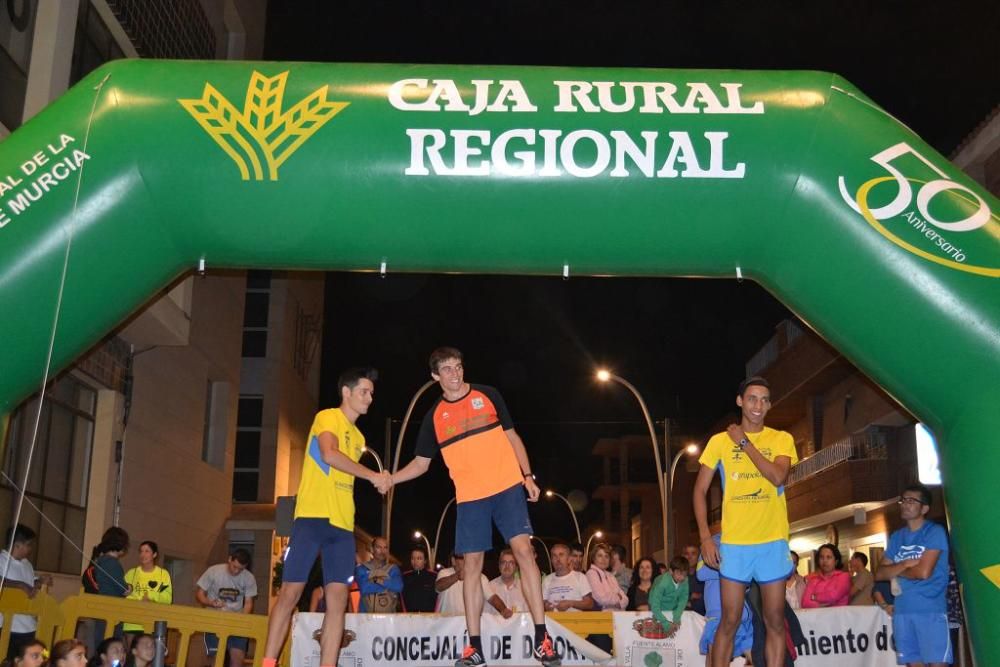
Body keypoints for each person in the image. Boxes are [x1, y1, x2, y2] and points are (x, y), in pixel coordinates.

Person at [391, 347, 560, 666]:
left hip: (508, 486)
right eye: (447, 369)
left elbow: (513, 437)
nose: (454, 373)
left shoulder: (489, 394)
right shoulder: (434, 417)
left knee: (524, 552)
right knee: (471, 568)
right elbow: (421, 464)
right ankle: (474, 646)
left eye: (457, 367)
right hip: (470, 498)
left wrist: (527, 476)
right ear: (435, 376)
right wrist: (391, 479)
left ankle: (542, 638)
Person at [261, 367, 389, 667]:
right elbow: (330, 454)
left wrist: (379, 479)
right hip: (312, 517)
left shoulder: (358, 438)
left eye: (371, 393)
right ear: (347, 392)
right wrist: (373, 476)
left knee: (338, 601)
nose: (370, 398)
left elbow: (345, 469)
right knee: (291, 592)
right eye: (364, 392)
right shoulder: (327, 417)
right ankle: (268, 662)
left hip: (342, 527)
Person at [693, 376, 798, 667]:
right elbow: (699, 490)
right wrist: (704, 538)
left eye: (765, 399)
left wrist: (743, 441)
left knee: (775, 619)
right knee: (729, 619)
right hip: (736, 544)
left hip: (772, 541)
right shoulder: (718, 443)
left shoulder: (781, 439)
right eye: (752, 398)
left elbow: (777, 477)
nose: (758, 405)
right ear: (740, 401)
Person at [875, 483, 951, 667]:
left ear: (924, 508)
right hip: (902, 611)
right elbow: (879, 574)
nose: (905, 504)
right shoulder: (897, 537)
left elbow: (923, 572)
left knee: (936, 663)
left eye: (911, 500)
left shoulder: (934, 532)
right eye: (903, 500)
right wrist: (905, 564)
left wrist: (896, 571)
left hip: (930, 611)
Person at [195, 548, 257, 667]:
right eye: (234, 566)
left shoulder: (249, 578)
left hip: (237, 622)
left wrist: (242, 618)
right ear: (229, 559)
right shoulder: (213, 571)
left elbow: (249, 602)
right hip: (214, 620)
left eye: (241, 569)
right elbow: (200, 594)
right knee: (215, 659)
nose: (236, 571)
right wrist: (210, 602)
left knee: (238, 658)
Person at [698, 536, 753, 666]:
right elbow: (701, 573)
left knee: (753, 659)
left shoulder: (746, 541)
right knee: (715, 660)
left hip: (744, 616)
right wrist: (733, 569)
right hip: (718, 616)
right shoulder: (712, 542)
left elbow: (749, 579)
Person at [0, 524, 51, 660]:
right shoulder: (1, 560)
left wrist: (40, 581)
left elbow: (30, 587)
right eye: (28, 545)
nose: (30, 549)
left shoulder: (27, 564)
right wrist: (19, 584)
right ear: (17, 545)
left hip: (29, 626)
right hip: (7, 626)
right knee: (9, 660)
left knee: (42, 655)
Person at [122, 541, 172, 636]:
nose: (143, 554)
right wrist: (138, 600)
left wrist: (150, 596)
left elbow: (167, 598)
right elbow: (122, 594)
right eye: (141, 551)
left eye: (147, 551)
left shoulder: (163, 574)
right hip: (132, 623)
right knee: (132, 650)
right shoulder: (131, 573)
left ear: (154, 554)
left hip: (153, 623)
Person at [355, 536, 403, 612]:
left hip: (389, 618)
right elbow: (364, 588)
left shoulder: (393, 569)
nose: (382, 551)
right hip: (365, 617)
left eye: (385, 548)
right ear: (372, 549)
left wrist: (377, 580)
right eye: (379, 547)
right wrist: (388, 585)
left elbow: (398, 587)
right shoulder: (362, 568)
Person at [541, 544, 594, 612]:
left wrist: (570, 603)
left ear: (569, 559)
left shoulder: (580, 577)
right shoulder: (547, 580)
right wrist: (546, 606)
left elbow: (590, 603)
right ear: (551, 560)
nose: (558, 559)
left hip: (575, 621)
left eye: (561, 555)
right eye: (554, 556)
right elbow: (542, 603)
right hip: (552, 621)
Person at [83, 527, 131, 598]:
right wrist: (130, 587)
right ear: (120, 544)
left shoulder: (100, 560)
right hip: (110, 602)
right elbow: (123, 589)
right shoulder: (111, 563)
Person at [649, 556, 690, 639]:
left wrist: (677, 617)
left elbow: (683, 599)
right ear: (671, 571)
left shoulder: (685, 581)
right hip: (658, 610)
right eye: (679, 573)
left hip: (672, 608)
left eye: (684, 574)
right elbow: (654, 605)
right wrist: (665, 623)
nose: (682, 577)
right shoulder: (662, 583)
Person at [585, 543, 628, 611]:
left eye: (606, 556)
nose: (603, 559)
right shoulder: (591, 574)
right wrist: (618, 597)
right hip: (602, 619)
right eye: (600, 556)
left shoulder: (610, 575)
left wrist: (619, 603)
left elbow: (625, 599)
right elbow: (602, 599)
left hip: (617, 617)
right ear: (593, 558)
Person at [488, 549, 527, 617]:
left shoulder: (524, 588)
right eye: (503, 562)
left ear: (516, 567)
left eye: (511, 563)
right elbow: (486, 616)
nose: (507, 566)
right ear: (499, 566)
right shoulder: (489, 587)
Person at [401, 547, 438, 612]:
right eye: (413, 558)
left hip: (429, 617)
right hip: (410, 617)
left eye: (419, 558)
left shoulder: (434, 576)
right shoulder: (405, 577)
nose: (415, 561)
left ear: (425, 561)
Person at [682, 544, 706, 615]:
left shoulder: (704, 577)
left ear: (699, 556)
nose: (689, 557)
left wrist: (689, 603)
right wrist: (691, 596)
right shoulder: (676, 577)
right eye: (686, 554)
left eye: (693, 554)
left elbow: (705, 602)